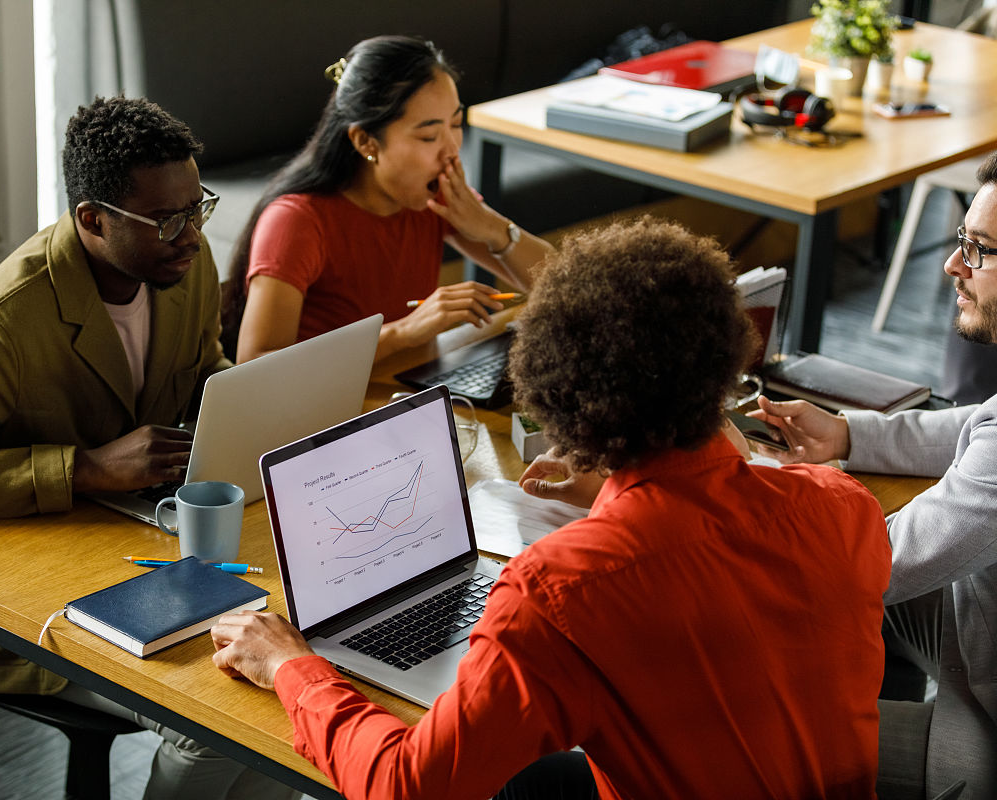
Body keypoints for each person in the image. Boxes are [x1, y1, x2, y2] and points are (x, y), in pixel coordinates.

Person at [209, 217, 892, 799]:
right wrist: (618, 499)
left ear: (561, 402)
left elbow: (408, 785)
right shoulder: (842, 508)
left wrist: (290, 666)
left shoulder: (560, 590)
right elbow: (714, 589)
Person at [0, 96, 295, 800]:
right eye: (168, 219)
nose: (193, 236)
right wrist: (87, 469)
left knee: (284, 690)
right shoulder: (5, 321)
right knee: (217, 723)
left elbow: (201, 369)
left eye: (198, 209)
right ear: (94, 220)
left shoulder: (180, 265)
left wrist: (246, 403)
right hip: (28, 600)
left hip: (139, 555)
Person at [751, 151, 997, 800]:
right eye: (961, 240)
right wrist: (848, 433)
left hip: (984, 739)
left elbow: (869, 565)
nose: (952, 265)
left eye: (979, 250)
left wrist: (739, 494)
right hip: (980, 635)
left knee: (748, 735)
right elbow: (979, 423)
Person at [220, 35, 554, 363]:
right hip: (329, 400)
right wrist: (402, 332)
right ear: (366, 142)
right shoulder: (296, 221)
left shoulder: (432, 197)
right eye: (428, 136)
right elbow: (256, 362)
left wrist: (493, 228)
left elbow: (562, 287)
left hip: (408, 386)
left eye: (456, 124)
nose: (452, 150)